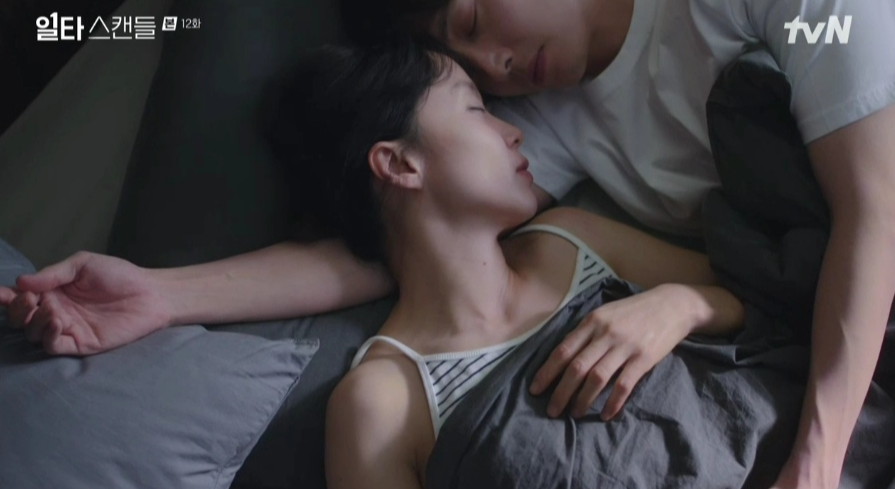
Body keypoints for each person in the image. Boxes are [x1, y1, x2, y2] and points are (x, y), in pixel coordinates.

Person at [2, 0, 893, 486]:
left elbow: (869, 215)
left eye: (472, 25)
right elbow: (375, 248)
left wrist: (686, 310)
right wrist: (164, 293)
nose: (497, 79)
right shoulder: (549, 126)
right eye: (474, 88)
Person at [285, 41, 743, 488]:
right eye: (477, 110)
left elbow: (760, 301)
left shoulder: (570, 243)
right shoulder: (383, 401)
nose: (514, 132)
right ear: (401, 163)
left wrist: (678, 306)